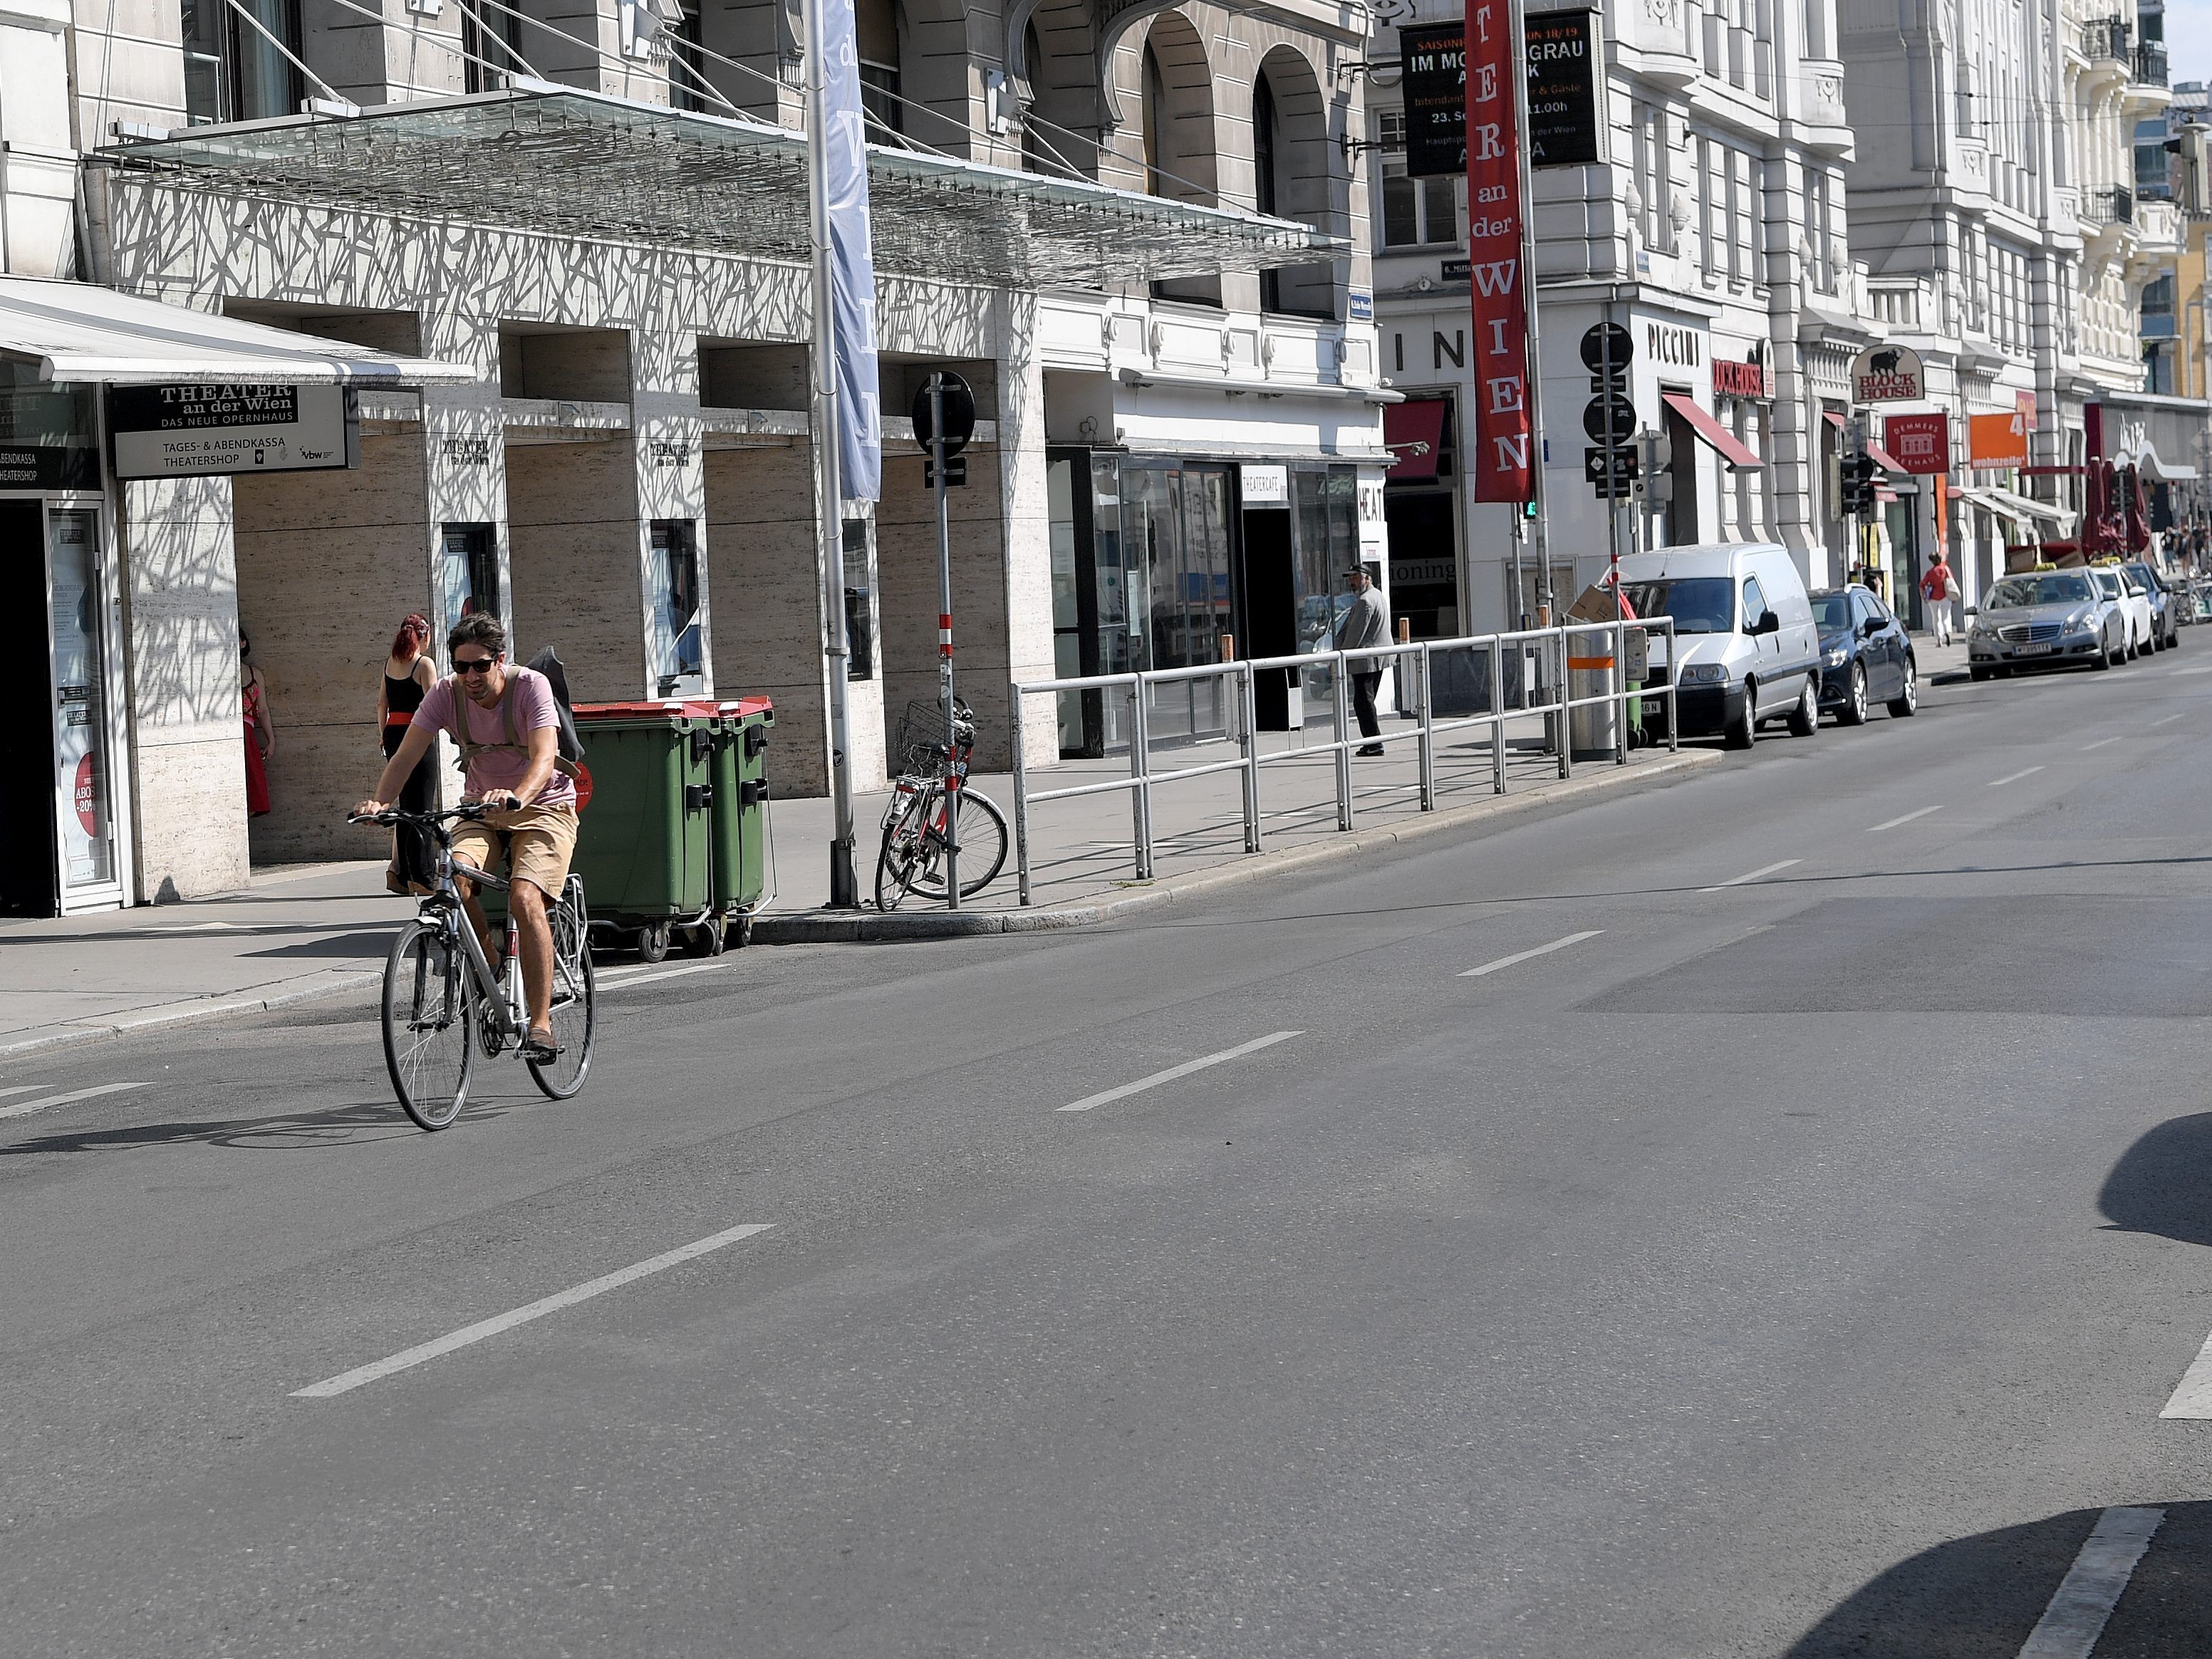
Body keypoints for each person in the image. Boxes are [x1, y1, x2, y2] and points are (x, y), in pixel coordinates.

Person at [355, 613, 577, 1062]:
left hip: (544, 807)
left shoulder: (531, 686)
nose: (470, 676)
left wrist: (517, 795)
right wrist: (380, 802)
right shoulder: (445, 695)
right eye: (460, 666)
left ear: (499, 660)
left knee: (524, 898)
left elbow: (544, 757)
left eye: (479, 666)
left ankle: (540, 1025)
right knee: (451, 880)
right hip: (480, 809)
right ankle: (492, 961)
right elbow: (406, 754)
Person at [378, 613, 438, 894]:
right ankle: (422, 876)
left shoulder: (391, 663)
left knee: (405, 807)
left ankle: (400, 874)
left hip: (393, 733)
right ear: (424, 636)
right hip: (417, 735)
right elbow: (434, 704)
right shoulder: (423, 664)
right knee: (422, 808)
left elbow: (382, 704)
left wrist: (383, 736)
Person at [1334, 563, 1390, 757]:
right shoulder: (1377, 596)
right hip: (1376, 658)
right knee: (1366, 700)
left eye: (1356, 577)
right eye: (1350, 578)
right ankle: (1372, 742)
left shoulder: (1366, 601)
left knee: (1363, 702)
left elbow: (1355, 635)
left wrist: (1340, 657)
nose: (1352, 582)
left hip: (1366, 660)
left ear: (1367, 578)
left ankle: (1374, 743)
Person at [241, 628, 273, 818]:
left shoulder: (256, 674)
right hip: (226, 737)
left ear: (243, 643)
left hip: (249, 736)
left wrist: (271, 741)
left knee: (253, 794)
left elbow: (263, 711)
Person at [1919, 552, 1958, 647]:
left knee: (1936, 618)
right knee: (1946, 617)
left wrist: (1923, 596)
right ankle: (1947, 632)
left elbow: (1922, 585)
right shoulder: (1946, 570)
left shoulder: (1930, 572)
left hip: (1933, 598)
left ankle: (1939, 640)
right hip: (1946, 596)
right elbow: (1951, 582)